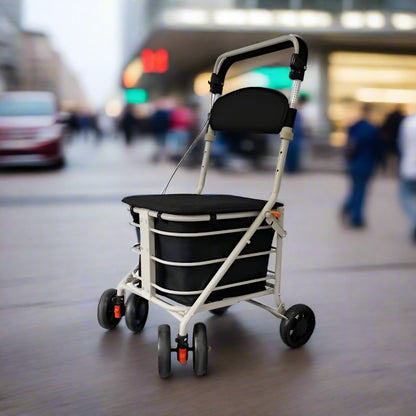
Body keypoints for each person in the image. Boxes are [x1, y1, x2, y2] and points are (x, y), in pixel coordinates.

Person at [341, 103, 384, 228]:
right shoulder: (373, 129)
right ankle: (356, 218)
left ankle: (348, 207)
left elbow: (348, 145)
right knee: (360, 190)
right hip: (367, 163)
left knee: (356, 188)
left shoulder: (354, 127)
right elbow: (378, 150)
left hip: (354, 163)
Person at [397, 110, 416, 244]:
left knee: (406, 197)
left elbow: (401, 144)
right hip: (409, 165)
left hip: (409, 166)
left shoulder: (408, 122)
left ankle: (414, 220)